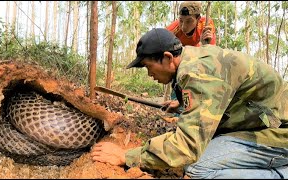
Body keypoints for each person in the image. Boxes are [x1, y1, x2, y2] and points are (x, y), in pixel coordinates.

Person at [91, 28, 288, 179]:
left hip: (280, 133)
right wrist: (182, 105)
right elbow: (214, 99)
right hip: (266, 122)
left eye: (149, 67)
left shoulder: (198, 73)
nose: (150, 75)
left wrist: (128, 156)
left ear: (167, 58)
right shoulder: (194, 60)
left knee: (196, 167)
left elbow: (188, 146)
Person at [166, 1, 216, 115]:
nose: (183, 26)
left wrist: (204, 44)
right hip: (179, 59)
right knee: (178, 79)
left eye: (189, 21)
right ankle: (176, 112)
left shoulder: (206, 25)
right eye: (181, 20)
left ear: (198, 19)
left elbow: (211, 55)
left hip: (198, 57)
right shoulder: (173, 29)